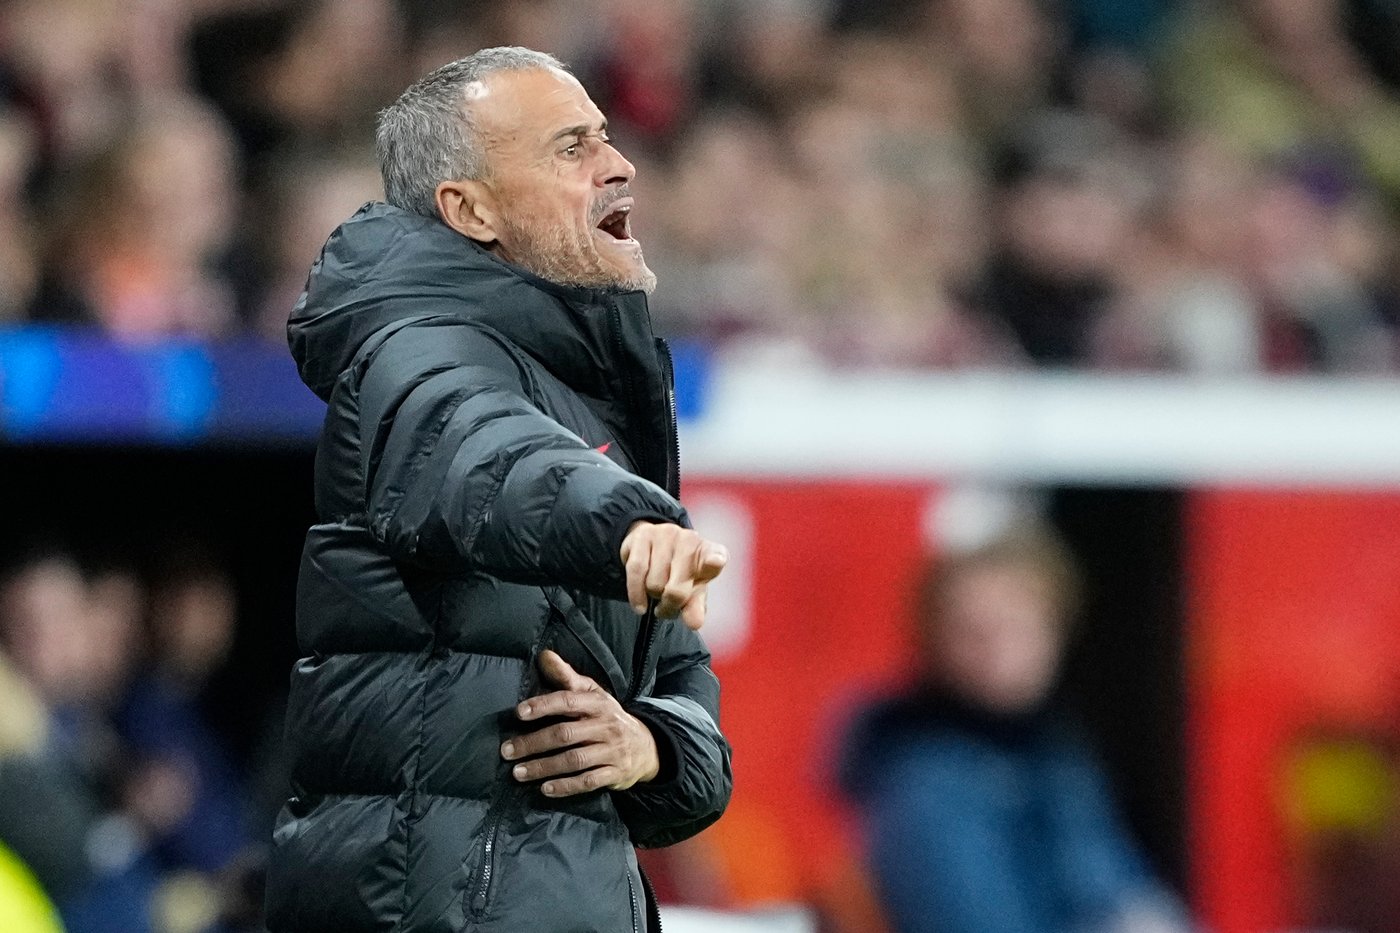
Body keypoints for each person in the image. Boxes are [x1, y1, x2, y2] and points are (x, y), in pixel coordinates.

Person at [264, 47, 734, 933]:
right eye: (570, 148)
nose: (619, 163)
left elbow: (688, 711)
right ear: (469, 209)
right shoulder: (415, 348)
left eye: (605, 135)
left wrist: (651, 746)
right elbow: (487, 453)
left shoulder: (593, 395)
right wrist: (628, 521)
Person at [840, 526, 1186, 933]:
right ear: (932, 641)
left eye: (1019, 628)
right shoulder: (921, 773)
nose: (997, 651)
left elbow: (1116, 888)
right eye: (971, 632)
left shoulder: (1054, 754)